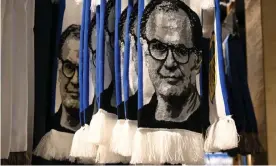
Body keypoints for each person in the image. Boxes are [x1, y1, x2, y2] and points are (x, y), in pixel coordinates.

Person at [140, 0, 203, 123]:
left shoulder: (210, 126)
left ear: (197, 61)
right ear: (146, 54)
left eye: (181, 50)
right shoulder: (136, 123)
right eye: (158, 47)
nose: (170, 63)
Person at [56, 24, 81, 132]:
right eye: (69, 67)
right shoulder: (42, 133)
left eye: (84, 70)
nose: (76, 80)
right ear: (59, 69)